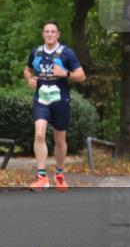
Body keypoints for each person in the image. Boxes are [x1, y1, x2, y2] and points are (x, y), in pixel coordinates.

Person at [22, 21, 86, 191]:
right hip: (41, 100)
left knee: (60, 140)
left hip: (60, 101)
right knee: (39, 134)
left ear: (58, 34)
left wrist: (65, 73)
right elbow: (27, 69)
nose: (50, 34)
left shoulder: (67, 53)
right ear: (43, 34)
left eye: (53, 31)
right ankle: (41, 176)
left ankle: (59, 175)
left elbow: (82, 75)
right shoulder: (36, 52)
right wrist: (29, 79)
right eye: (46, 31)